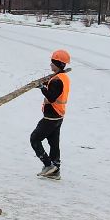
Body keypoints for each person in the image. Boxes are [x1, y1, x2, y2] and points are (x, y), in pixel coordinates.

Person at [31, 49, 70, 180]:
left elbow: (52, 97)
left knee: (35, 139)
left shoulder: (56, 80)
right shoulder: (63, 77)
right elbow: (55, 88)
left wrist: (42, 88)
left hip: (51, 117)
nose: (50, 65)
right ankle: (55, 170)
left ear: (58, 64)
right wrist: (45, 84)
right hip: (59, 116)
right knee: (54, 143)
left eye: (52, 63)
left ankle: (48, 165)